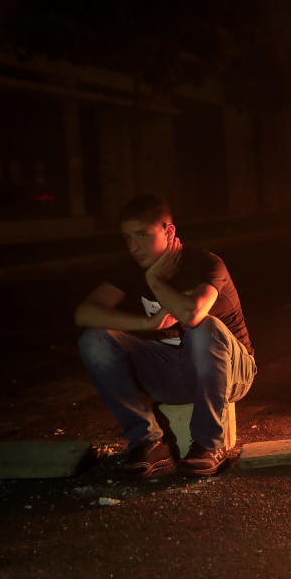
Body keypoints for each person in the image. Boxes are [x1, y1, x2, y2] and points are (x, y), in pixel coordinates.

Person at [75, 195, 255, 478]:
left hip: (232, 373)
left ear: (168, 232)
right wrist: (148, 324)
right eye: (127, 238)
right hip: (171, 372)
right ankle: (148, 442)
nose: (133, 247)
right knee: (94, 339)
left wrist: (155, 281)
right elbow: (84, 313)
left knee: (204, 327)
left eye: (142, 236)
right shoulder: (131, 269)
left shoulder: (204, 263)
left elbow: (192, 315)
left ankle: (210, 445)